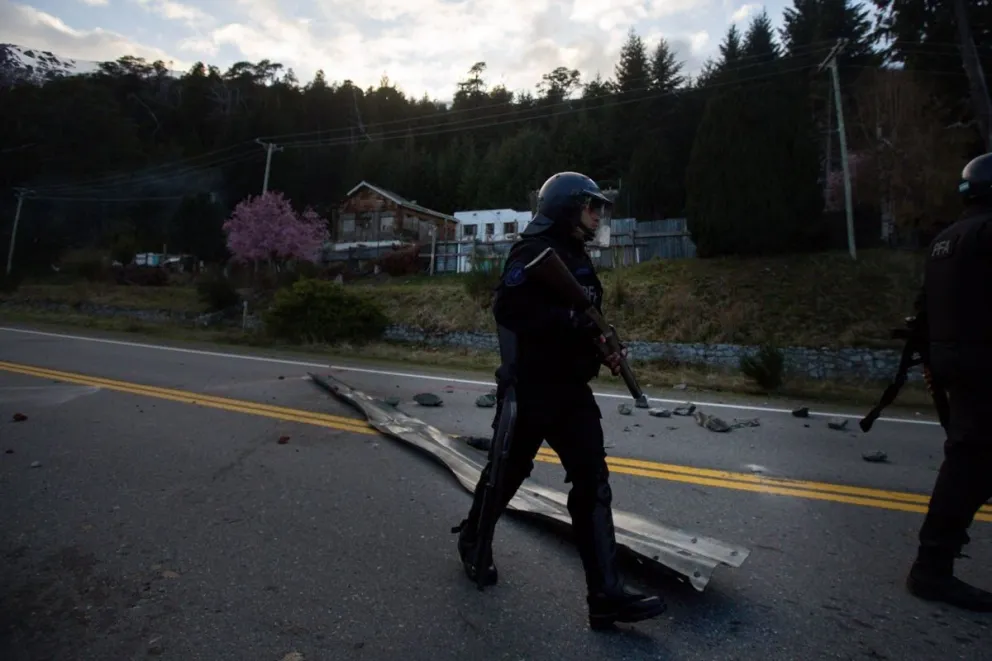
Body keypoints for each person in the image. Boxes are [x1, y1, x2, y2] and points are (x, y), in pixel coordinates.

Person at [450, 171, 668, 629]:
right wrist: (570, 321)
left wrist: (603, 347)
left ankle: (605, 594)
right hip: (531, 388)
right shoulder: (532, 254)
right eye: (590, 207)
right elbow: (508, 308)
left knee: (592, 482)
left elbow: (586, 318)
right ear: (567, 208)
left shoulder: (577, 260)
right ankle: (473, 538)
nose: (597, 216)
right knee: (506, 475)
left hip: (570, 390)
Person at [907, 152, 992, 612]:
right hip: (983, 366)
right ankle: (932, 568)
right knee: (969, 467)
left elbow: (924, 308)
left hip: (957, 364)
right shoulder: (985, 234)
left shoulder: (947, 239)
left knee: (968, 464)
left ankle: (932, 565)